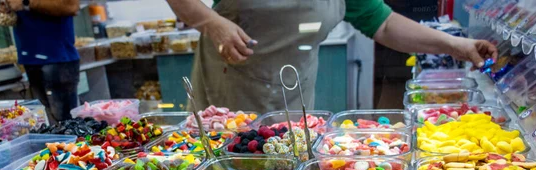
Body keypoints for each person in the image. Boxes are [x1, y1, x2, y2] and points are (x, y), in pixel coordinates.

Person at [166, 0, 498, 112]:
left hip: (292, 92)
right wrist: (212, 23)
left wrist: (457, 45)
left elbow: (384, 25)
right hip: (230, 87)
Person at [0, 0, 81, 123]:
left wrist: (25, 2)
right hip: (30, 59)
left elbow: (71, 6)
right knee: (46, 123)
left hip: (57, 59)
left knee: (67, 122)